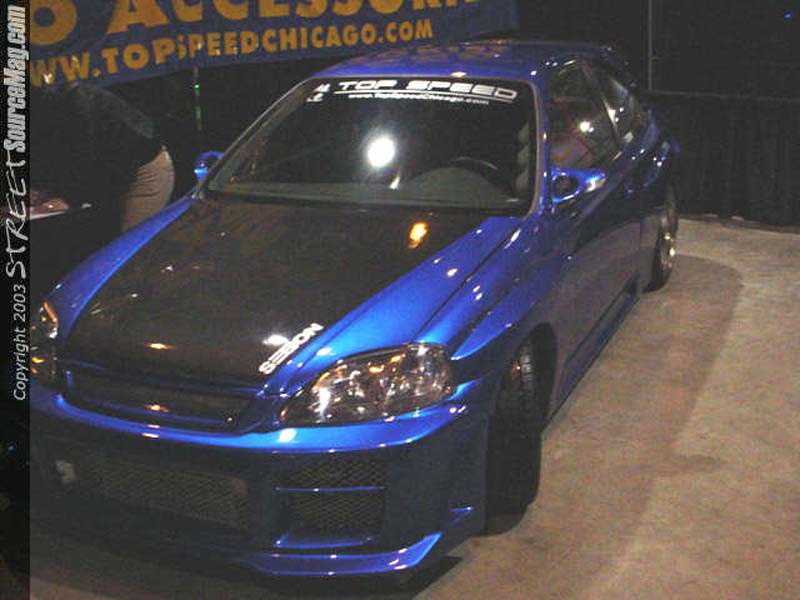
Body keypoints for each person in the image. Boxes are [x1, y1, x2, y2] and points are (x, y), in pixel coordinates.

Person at [32, 82, 175, 232]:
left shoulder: (74, 106)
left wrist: (69, 199)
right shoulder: (49, 111)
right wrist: (50, 192)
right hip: (118, 174)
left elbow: (83, 159)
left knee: (133, 241)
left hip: (143, 170)